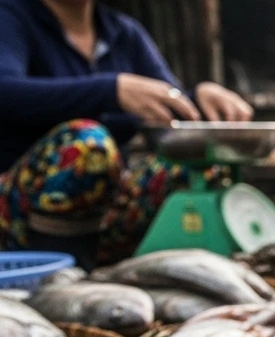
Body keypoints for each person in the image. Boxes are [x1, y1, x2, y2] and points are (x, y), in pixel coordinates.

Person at [0, 0, 253, 264]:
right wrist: (111, 91)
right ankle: (58, 275)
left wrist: (198, 97)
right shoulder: (10, 17)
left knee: (194, 163)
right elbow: (5, 91)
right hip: (18, 219)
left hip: (100, 219)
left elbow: (167, 103)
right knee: (87, 145)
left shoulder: (122, 32)